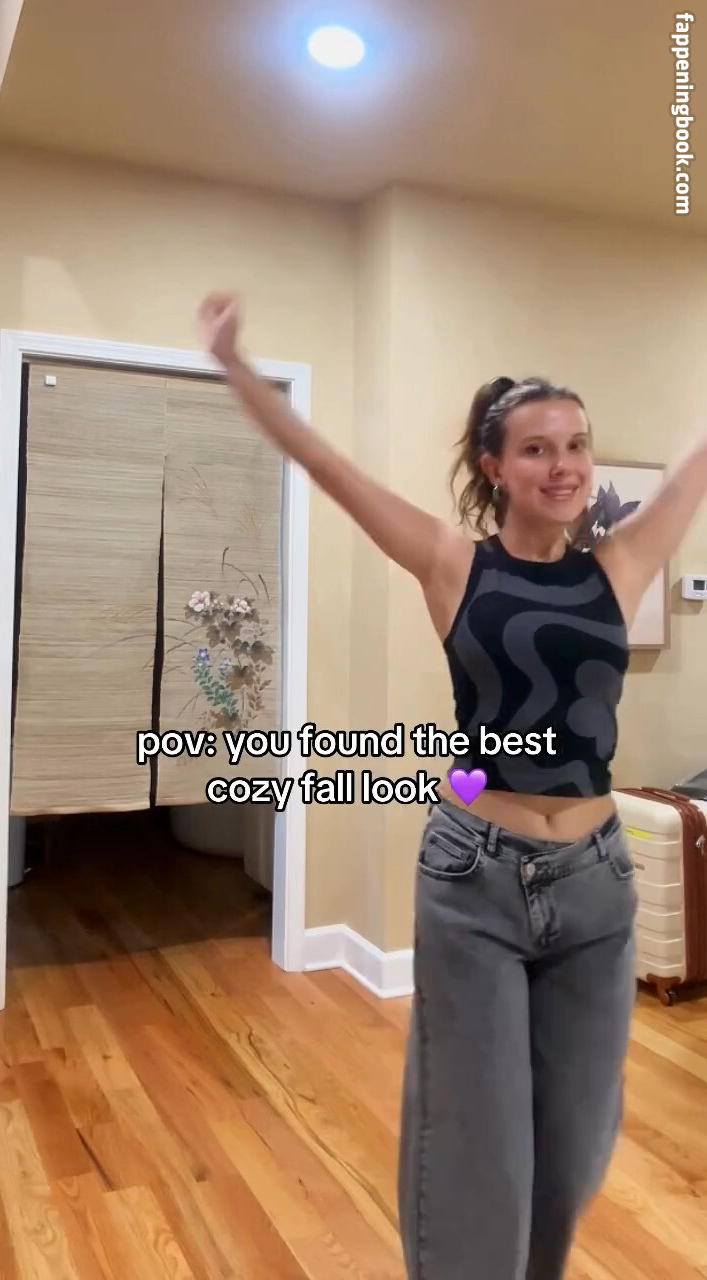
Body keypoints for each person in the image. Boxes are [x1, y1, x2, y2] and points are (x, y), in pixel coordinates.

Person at [197, 292, 707, 1280]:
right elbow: (326, 466)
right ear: (493, 465)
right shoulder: (451, 563)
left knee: (573, 1145)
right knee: (479, 1145)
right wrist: (237, 368)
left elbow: (698, 462)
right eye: (536, 448)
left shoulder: (620, 565)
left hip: (597, 884)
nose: (563, 465)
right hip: (478, 873)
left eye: (576, 446)